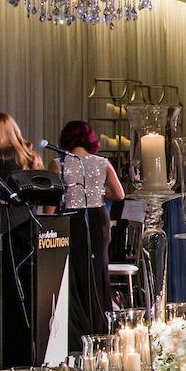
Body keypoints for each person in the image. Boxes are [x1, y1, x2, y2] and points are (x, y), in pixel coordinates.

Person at [0, 112, 54, 369]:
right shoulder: (30, 157)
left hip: (2, 235)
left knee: (2, 297)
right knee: (25, 295)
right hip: (27, 233)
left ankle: (1, 356)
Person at [55, 119, 123, 344]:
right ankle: (99, 323)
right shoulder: (102, 163)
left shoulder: (59, 163)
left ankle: (77, 327)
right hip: (97, 219)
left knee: (74, 269)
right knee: (97, 267)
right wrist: (98, 192)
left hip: (71, 219)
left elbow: (51, 203)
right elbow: (119, 194)